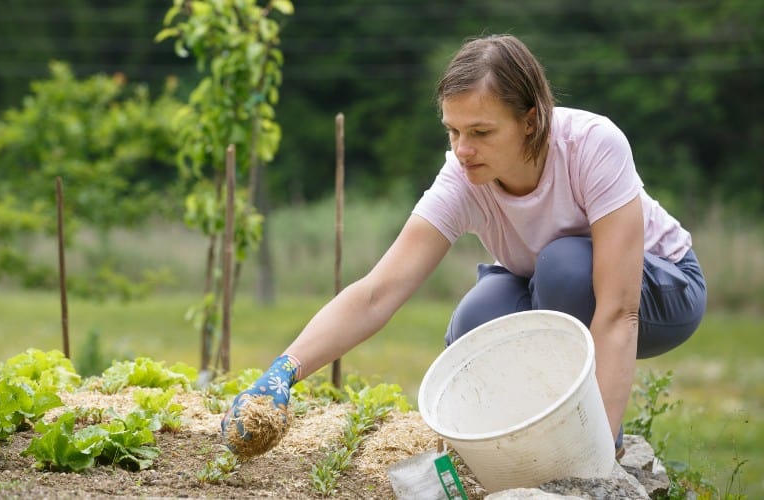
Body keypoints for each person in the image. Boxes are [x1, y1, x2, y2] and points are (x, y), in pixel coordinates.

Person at [221, 34, 707, 458]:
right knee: (476, 325)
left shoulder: (593, 145)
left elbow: (618, 310)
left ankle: (586, 436)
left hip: (662, 288)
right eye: (452, 131)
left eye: (481, 132)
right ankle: (520, 443)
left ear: (531, 121)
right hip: (551, 289)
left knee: (565, 268)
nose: (462, 150)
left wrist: (600, 447)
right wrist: (285, 370)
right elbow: (377, 293)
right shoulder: (463, 177)